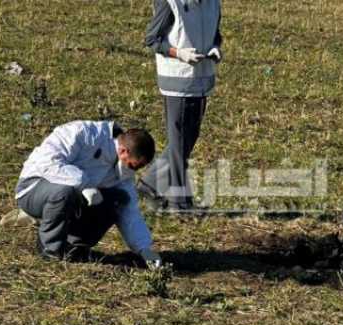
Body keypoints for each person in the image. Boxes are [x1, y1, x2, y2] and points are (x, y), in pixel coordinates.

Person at [15, 120, 162, 266]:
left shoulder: (123, 171)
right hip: (33, 187)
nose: (135, 170)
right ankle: (50, 250)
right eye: (134, 165)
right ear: (123, 151)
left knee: (119, 198)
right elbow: (47, 162)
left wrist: (144, 249)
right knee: (64, 191)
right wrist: (83, 183)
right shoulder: (83, 133)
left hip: (71, 200)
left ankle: (73, 247)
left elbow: (129, 211)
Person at [138, 0, 223, 213]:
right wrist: (179, 53)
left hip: (202, 79)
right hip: (177, 79)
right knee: (179, 143)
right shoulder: (170, 3)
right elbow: (153, 39)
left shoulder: (213, 3)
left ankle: (150, 183)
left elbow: (215, 33)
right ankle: (180, 203)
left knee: (187, 140)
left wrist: (215, 47)